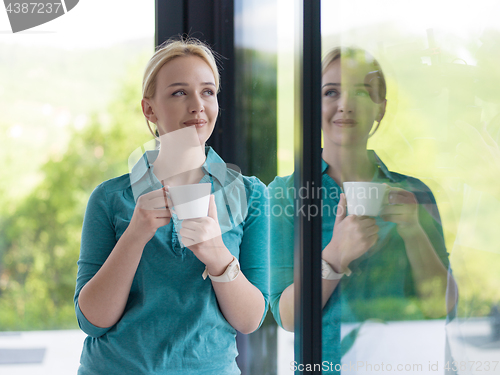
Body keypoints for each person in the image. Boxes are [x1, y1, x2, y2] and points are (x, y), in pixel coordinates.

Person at [74, 37, 269, 375]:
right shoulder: (109, 198)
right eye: (180, 93)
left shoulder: (250, 196)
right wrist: (135, 235)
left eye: (208, 92)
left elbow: (250, 320)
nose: (198, 106)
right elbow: (92, 321)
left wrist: (218, 256)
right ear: (149, 109)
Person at [269, 47, 456, 371]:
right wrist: (335, 255)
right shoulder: (285, 195)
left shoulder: (414, 193)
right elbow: (287, 317)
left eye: (362, 91)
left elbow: (442, 305)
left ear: (380, 109)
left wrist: (413, 233)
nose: (345, 104)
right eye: (331, 92)